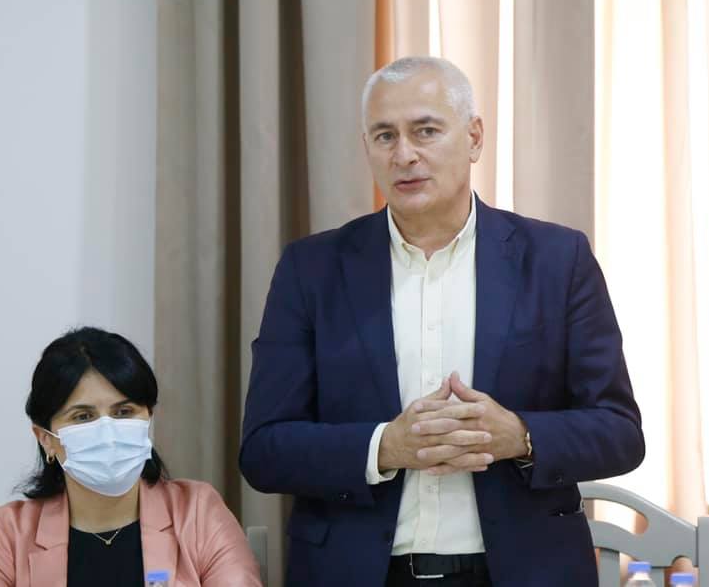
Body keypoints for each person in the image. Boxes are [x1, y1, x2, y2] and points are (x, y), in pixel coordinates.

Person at [239, 57, 645, 587]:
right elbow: (265, 449)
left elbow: (619, 432)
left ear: (474, 137)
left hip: (523, 572)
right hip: (358, 572)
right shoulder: (311, 269)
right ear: (367, 149)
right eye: (385, 136)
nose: (404, 154)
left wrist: (520, 436)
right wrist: (384, 448)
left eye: (425, 131)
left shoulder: (556, 260)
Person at [0, 327, 261, 587]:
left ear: (148, 418)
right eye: (83, 416)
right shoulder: (6, 533)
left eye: (123, 412)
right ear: (46, 439)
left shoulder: (198, 513)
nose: (108, 431)